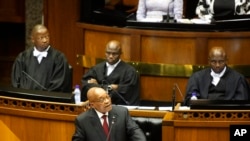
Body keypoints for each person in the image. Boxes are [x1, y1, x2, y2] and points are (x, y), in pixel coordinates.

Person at [11, 24, 71, 93]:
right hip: (25, 100)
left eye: (47, 36)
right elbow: (16, 82)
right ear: (33, 39)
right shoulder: (22, 57)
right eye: (41, 38)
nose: (45, 40)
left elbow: (59, 85)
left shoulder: (59, 58)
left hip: (47, 101)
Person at [72, 87, 146, 141]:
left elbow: (134, 131)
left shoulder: (122, 112)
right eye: (101, 100)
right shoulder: (83, 120)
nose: (107, 101)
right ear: (92, 105)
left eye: (107, 97)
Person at [184, 46, 249, 106]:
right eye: (213, 62)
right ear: (209, 61)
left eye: (221, 62)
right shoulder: (197, 77)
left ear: (226, 61)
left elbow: (242, 103)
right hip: (203, 115)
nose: (217, 65)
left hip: (228, 116)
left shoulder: (238, 79)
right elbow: (189, 100)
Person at [81, 40, 140, 105]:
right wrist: (111, 87)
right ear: (105, 52)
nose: (111, 56)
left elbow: (126, 93)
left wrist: (97, 86)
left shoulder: (130, 72)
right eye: (108, 53)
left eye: (114, 54)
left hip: (118, 109)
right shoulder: (96, 69)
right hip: (96, 108)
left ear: (120, 53)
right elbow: (86, 87)